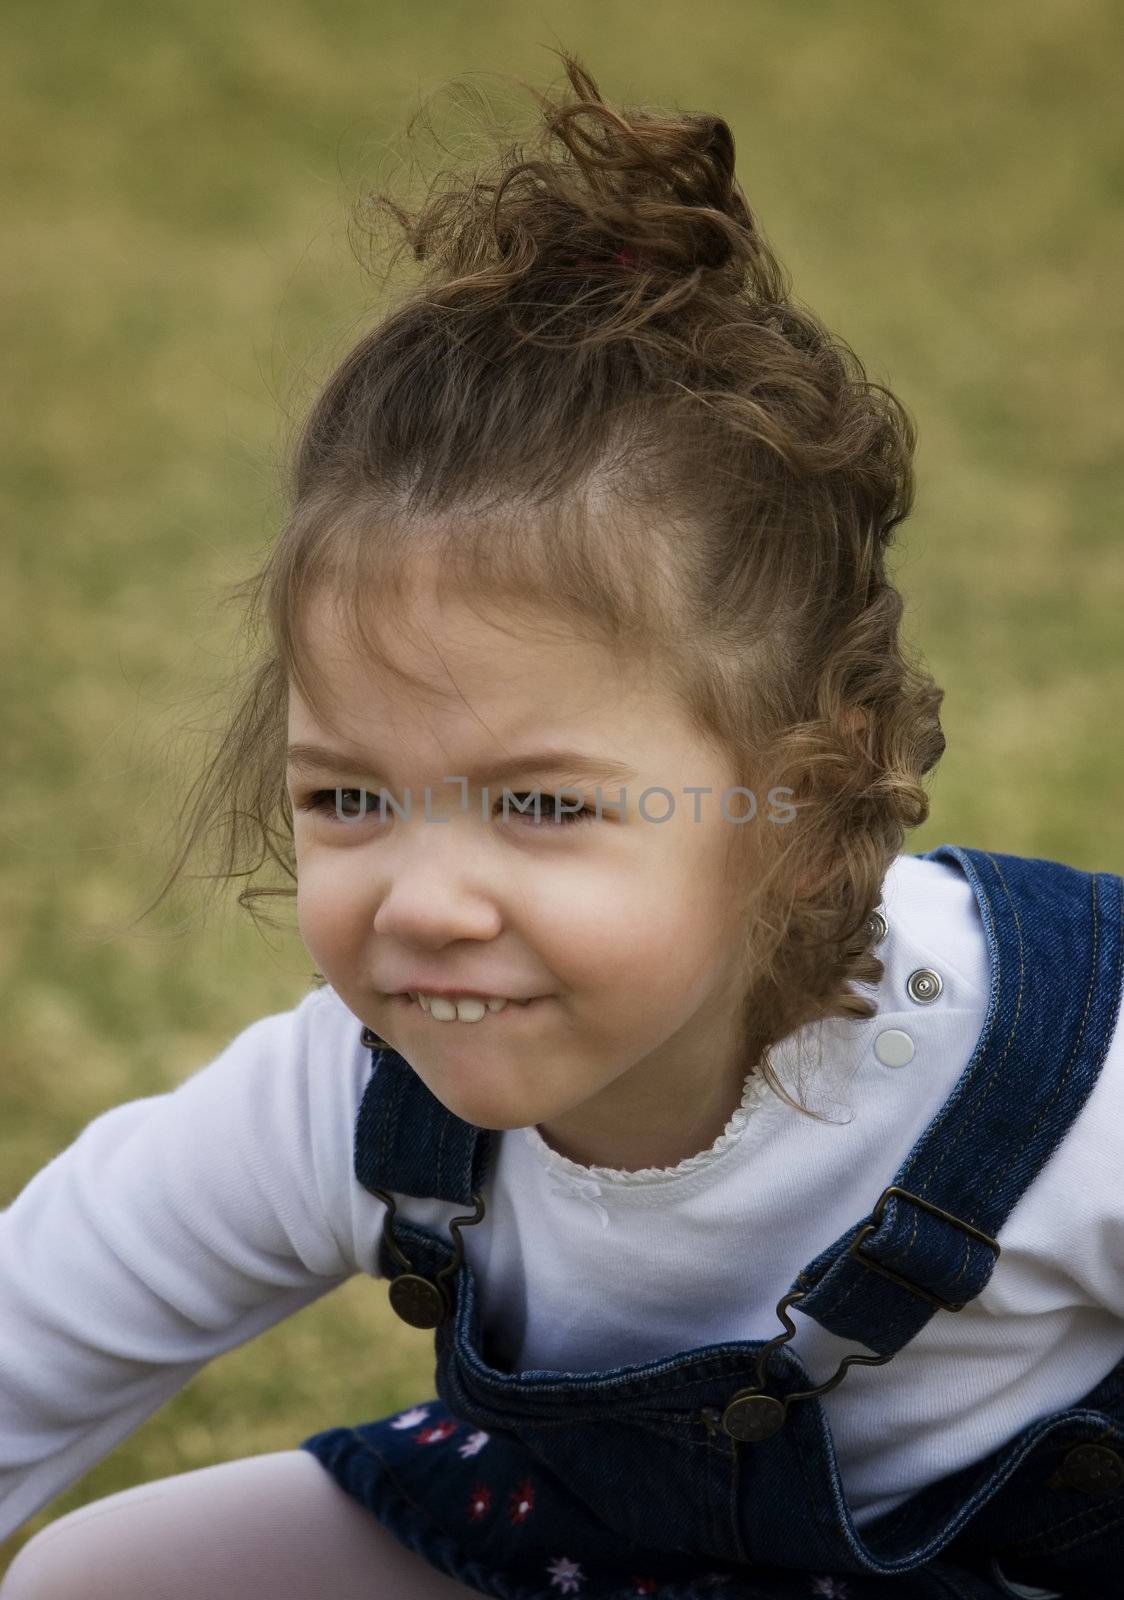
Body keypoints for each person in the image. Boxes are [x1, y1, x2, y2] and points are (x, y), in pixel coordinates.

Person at [1, 47, 1120, 1600]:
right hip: (613, 1559)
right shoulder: (355, 1104)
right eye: (351, 798)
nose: (423, 900)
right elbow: (33, 1334)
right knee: (109, 1574)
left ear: (802, 801)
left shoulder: (1075, 1088)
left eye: (537, 805)